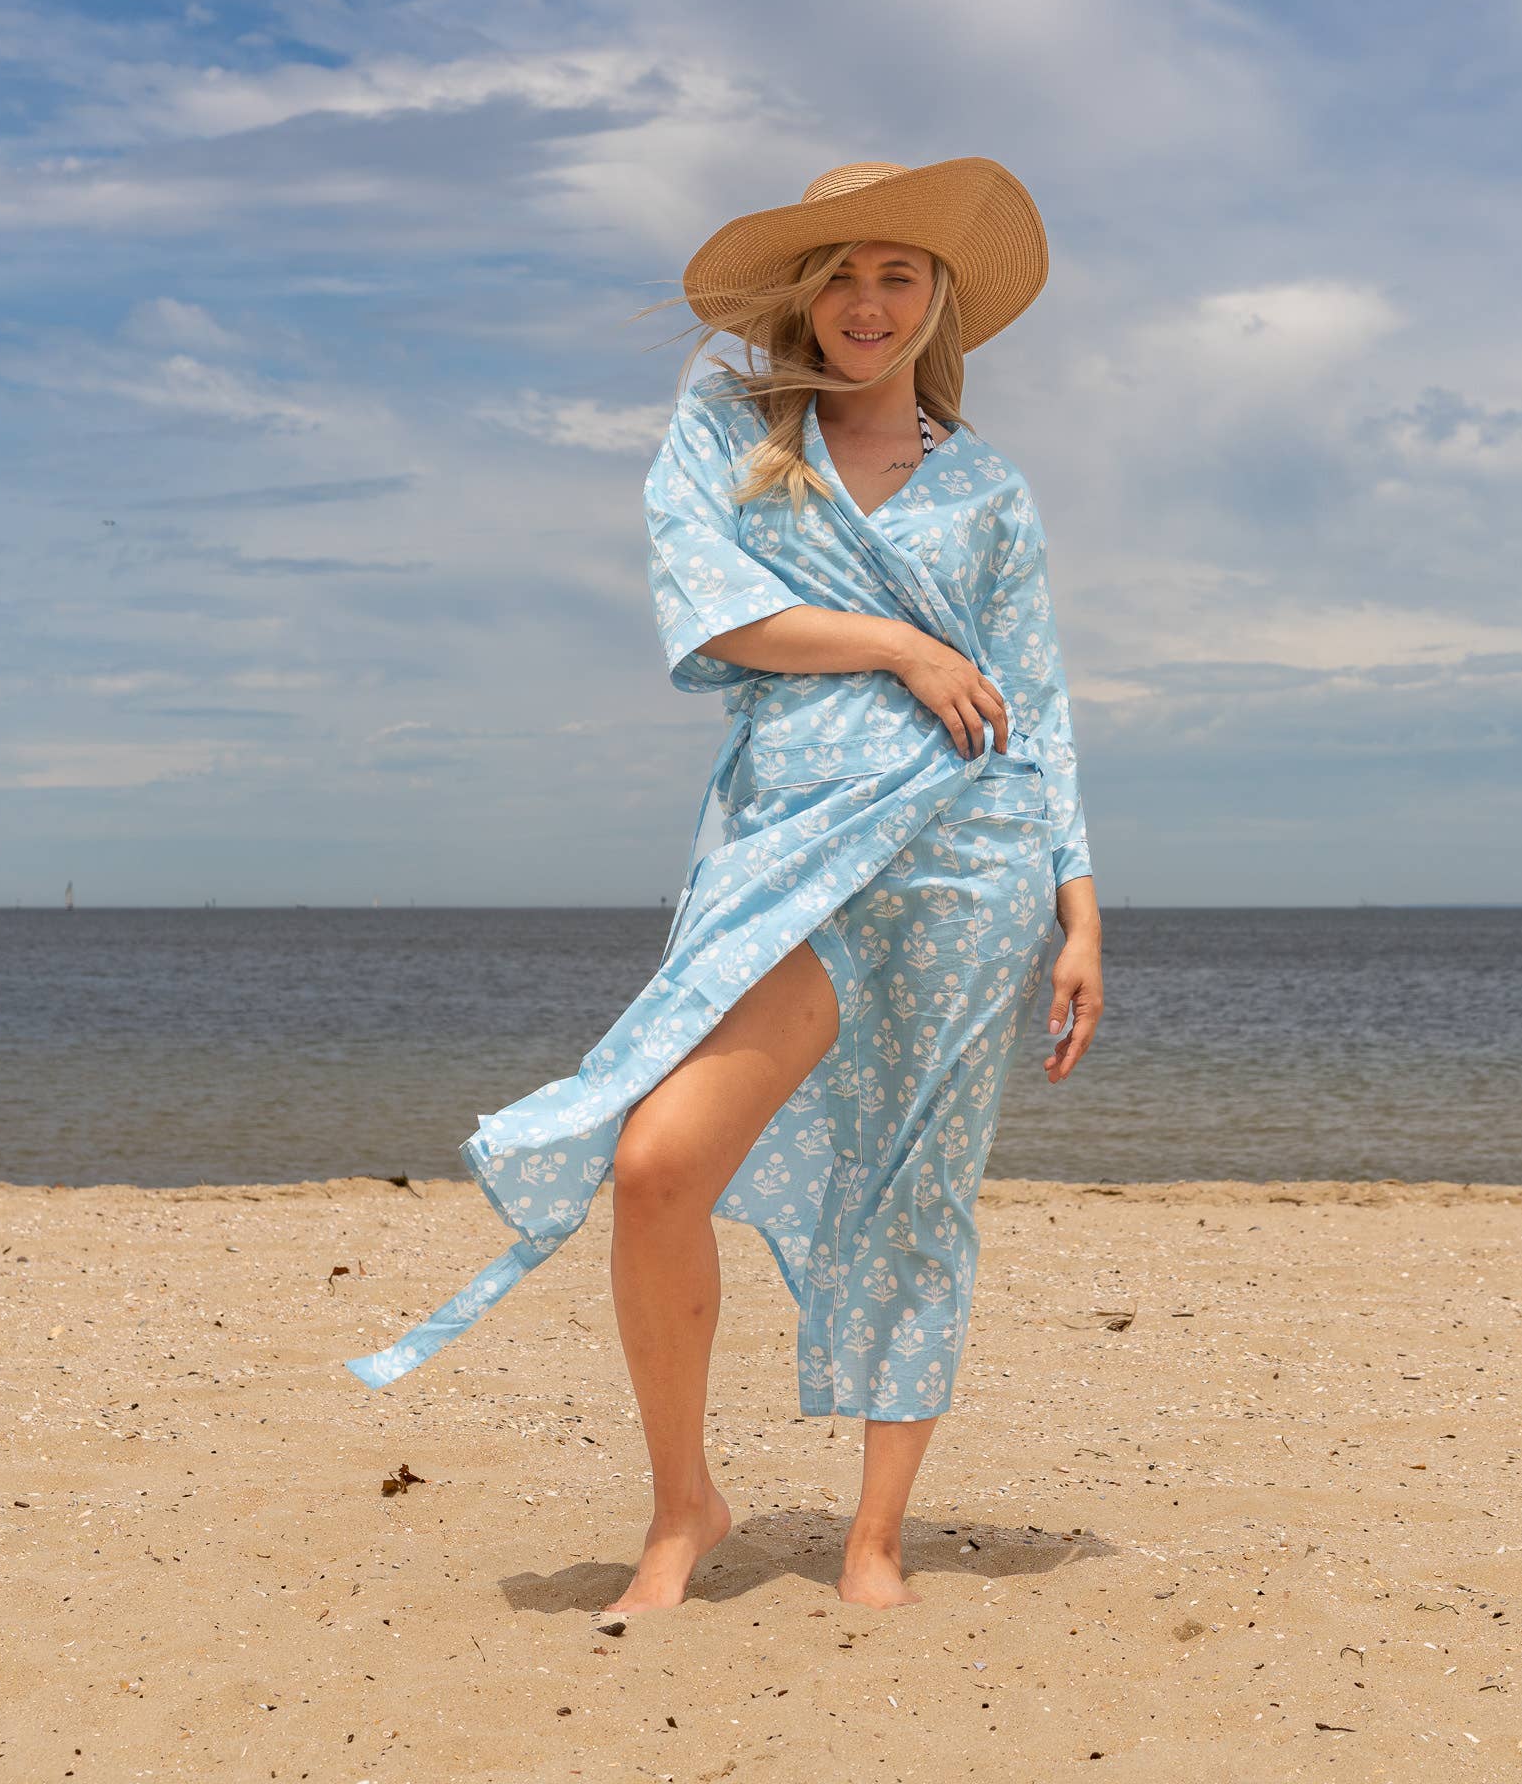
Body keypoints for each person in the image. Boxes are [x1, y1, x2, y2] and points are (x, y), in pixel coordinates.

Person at [344, 156, 1102, 1615]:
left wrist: (1079, 909)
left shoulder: (990, 486)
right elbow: (718, 614)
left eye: (899, 273)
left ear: (939, 296)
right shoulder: (727, 429)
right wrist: (902, 648)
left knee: (917, 1188)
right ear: (797, 293)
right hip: (792, 846)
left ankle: (875, 1541)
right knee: (657, 1163)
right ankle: (684, 1504)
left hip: (972, 856)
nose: (866, 302)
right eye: (840, 271)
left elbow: (1045, 703)